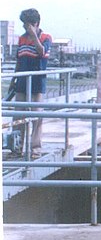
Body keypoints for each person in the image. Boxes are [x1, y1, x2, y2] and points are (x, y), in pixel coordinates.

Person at [14, 8, 52, 152]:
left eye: (27, 24)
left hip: (37, 82)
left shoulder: (46, 37)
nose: (24, 27)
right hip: (22, 81)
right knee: (18, 115)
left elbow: (42, 52)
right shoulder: (21, 38)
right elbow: (19, 60)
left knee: (37, 116)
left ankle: (35, 148)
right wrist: (14, 80)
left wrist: (34, 36)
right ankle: (17, 147)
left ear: (35, 23)